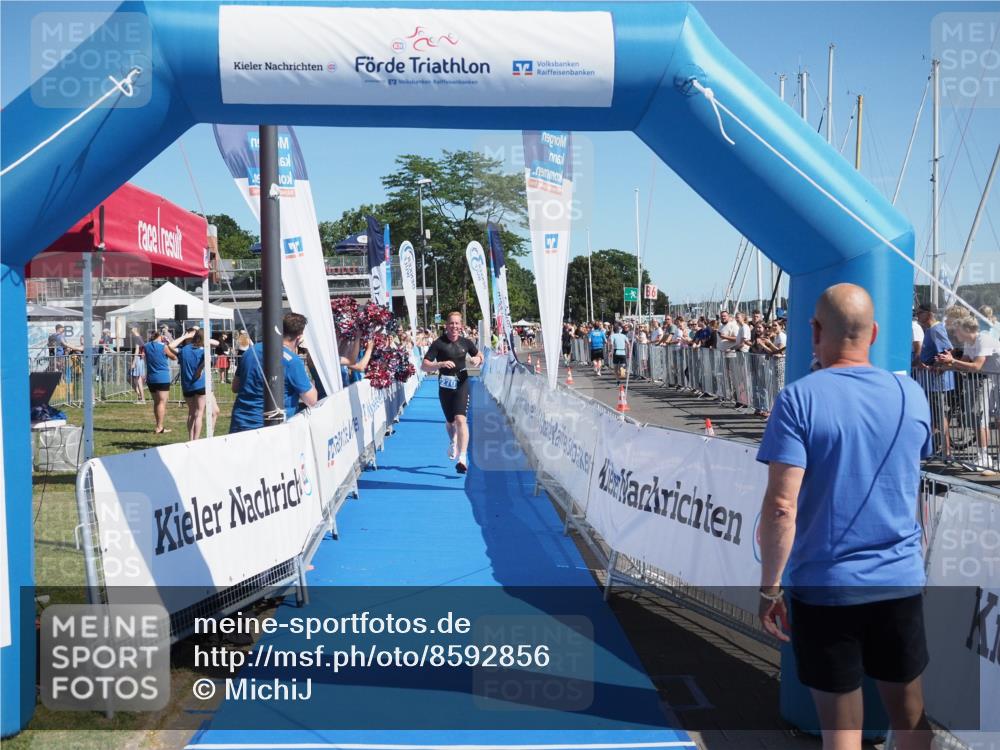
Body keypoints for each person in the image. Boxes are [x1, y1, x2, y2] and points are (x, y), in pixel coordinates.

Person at [756, 283, 933, 750]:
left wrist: (769, 588)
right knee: (910, 718)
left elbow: (781, 506)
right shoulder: (911, 394)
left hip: (827, 587)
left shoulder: (798, 399)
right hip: (898, 579)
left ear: (815, 331)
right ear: (873, 333)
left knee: (841, 734)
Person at [230, 313, 318, 433]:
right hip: (271, 428)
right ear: (299, 337)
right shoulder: (292, 361)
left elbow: (235, 387)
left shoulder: (250, 352)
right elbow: (311, 400)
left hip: (240, 423)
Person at [934, 317, 1000, 474]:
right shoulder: (969, 343)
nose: (954, 334)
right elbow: (963, 365)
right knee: (980, 417)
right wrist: (945, 366)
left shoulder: (983, 339)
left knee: (991, 419)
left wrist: (952, 361)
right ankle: (983, 457)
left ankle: (985, 457)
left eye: (957, 330)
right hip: (991, 379)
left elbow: (976, 366)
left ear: (966, 330)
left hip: (994, 379)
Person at [421, 311, 483, 474]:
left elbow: (479, 355)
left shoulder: (466, 342)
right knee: (450, 421)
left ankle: (462, 458)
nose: (454, 326)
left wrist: (477, 359)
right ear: (446, 325)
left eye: (457, 323)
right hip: (445, 387)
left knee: (461, 419)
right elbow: (424, 365)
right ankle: (453, 441)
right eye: (451, 323)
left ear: (461, 325)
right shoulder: (438, 344)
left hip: (462, 384)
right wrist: (439, 364)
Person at [916, 302, 955, 459]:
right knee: (933, 415)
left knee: (939, 415)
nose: (917, 316)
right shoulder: (929, 330)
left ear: (929, 314)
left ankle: (947, 451)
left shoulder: (936, 329)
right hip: (930, 382)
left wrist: (934, 366)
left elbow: (947, 351)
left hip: (937, 383)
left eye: (920, 312)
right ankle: (932, 448)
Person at [170, 328, 219, 441]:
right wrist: (200, 369)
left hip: (187, 386)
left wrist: (184, 336)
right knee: (199, 414)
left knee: (191, 413)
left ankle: (191, 439)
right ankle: (196, 441)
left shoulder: (184, 350)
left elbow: (170, 346)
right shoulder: (204, 350)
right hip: (200, 384)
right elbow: (216, 345)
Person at [145, 329, 177, 434]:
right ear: (160, 336)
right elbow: (174, 357)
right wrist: (168, 344)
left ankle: (159, 425)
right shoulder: (164, 346)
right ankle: (159, 427)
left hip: (151, 377)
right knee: (162, 403)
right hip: (162, 378)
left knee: (157, 402)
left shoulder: (146, 346)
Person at [129, 326, 146, 403]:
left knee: (137, 380)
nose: (130, 330)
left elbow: (137, 350)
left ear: (135, 329)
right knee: (136, 379)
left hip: (138, 359)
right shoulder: (140, 337)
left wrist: (133, 362)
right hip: (140, 359)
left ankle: (142, 398)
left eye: (131, 328)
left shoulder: (136, 338)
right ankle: (140, 397)